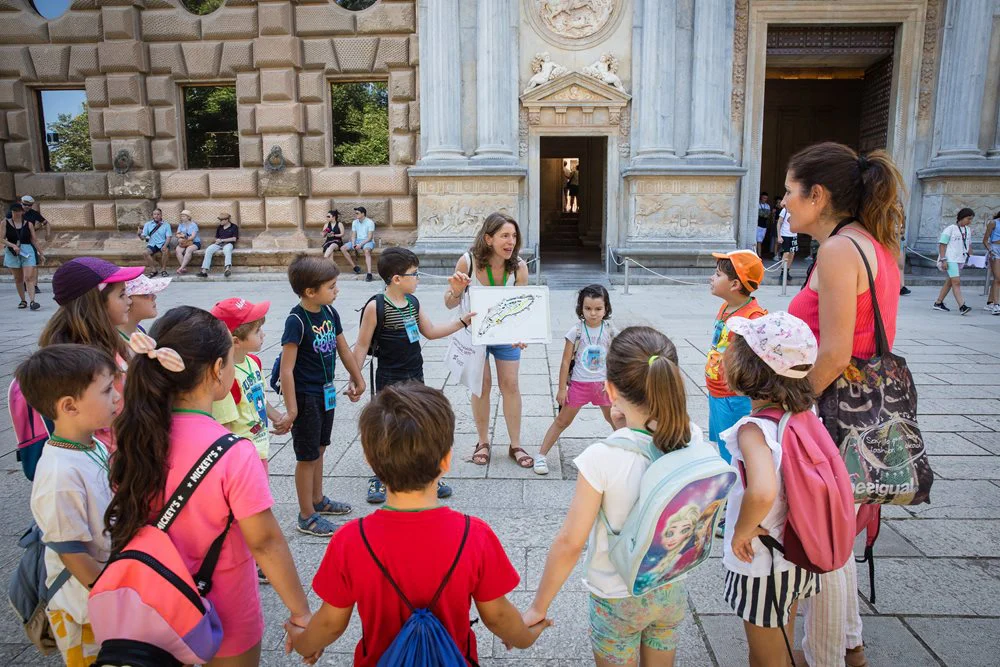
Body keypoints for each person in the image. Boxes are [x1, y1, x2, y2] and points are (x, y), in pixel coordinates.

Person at [104, 306, 313, 666]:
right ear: (218, 370)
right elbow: (264, 541)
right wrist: (301, 612)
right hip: (224, 613)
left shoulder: (133, 438)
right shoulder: (234, 453)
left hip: (154, 607)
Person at [286, 383, 552, 664]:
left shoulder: (350, 540)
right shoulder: (474, 535)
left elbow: (330, 624)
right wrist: (526, 634)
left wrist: (303, 640)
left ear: (370, 462)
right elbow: (498, 617)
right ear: (446, 460)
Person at [786, 141, 905, 667]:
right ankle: (850, 644)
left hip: (834, 415)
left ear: (818, 195)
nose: (784, 203)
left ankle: (830, 654)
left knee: (821, 540)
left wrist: (789, 408)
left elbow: (834, 353)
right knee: (832, 529)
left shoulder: (838, 251)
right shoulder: (870, 244)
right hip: (866, 412)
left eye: (791, 192)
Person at [523, 327, 693, 666]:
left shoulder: (601, 458)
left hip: (617, 595)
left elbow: (571, 541)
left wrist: (538, 607)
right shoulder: (691, 435)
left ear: (610, 389)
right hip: (670, 583)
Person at [720, 311, 822, 667]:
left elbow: (762, 491)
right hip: (794, 549)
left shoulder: (754, 429)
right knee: (782, 633)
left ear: (748, 369)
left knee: (765, 656)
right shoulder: (804, 414)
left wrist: (740, 531)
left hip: (763, 558)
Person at [17, 345, 118, 667]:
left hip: (102, 591)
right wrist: (115, 596)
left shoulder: (92, 444)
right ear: (69, 406)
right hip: (84, 607)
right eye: (106, 390)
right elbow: (72, 552)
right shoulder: (60, 472)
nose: (117, 396)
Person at [351, 247, 474, 504]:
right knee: (387, 425)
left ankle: (425, 473)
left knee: (417, 422)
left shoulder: (412, 303)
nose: (418, 277)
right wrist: (355, 378)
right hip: (388, 375)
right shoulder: (376, 306)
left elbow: (430, 331)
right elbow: (362, 345)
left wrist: (461, 322)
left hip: (414, 373)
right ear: (397, 278)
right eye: (414, 274)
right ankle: (380, 476)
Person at [280, 255, 366, 537]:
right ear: (309, 291)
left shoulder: (329, 312)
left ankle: (318, 500)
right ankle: (306, 514)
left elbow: (343, 349)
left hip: (325, 392)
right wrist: (291, 410)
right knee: (306, 456)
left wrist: (358, 377)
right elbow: (287, 370)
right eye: (331, 286)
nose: (336, 290)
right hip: (306, 396)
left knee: (319, 448)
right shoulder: (296, 320)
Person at [444, 212, 533, 470]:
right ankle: (482, 442)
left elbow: (523, 309)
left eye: (514, 236)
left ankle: (515, 444)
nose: (511, 242)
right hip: (475, 335)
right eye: (505, 236)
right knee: (481, 386)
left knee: (511, 385)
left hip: (505, 336)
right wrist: (457, 290)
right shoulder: (468, 262)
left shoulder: (519, 267)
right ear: (488, 238)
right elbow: (449, 302)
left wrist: (522, 335)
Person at [535, 284, 617, 476]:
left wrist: (615, 383)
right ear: (581, 308)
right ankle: (541, 455)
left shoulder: (611, 331)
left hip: (604, 386)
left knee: (615, 418)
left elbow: (617, 358)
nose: (593, 313)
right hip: (579, 384)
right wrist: (562, 389)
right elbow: (565, 362)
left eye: (598, 309)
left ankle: (631, 452)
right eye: (588, 308)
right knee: (562, 420)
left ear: (606, 309)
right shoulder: (576, 332)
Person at [705, 250, 767, 466]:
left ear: (735, 285)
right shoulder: (726, 307)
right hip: (716, 390)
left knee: (732, 450)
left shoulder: (753, 317)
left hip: (733, 396)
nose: (711, 278)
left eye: (718, 275)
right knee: (721, 441)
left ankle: (734, 490)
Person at [933, 208, 975, 315]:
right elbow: (943, 244)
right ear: (962, 217)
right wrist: (943, 259)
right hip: (950, 258)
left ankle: (938, 302)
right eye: (968, 219)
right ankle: (962, 305)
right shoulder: (950, 229)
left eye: (971, 219)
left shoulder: (968, 230)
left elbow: (969, 244)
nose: (969, 221)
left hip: (961, 259)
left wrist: (972, 256)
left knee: (950, 282)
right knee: (956, 282)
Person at [4, 203, 41, 310]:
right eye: (14, 211)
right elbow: (1, 238)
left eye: (18, 211)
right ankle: (23, 300)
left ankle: (33, 301)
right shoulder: (5, 223)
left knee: (28, 277)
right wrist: (13, 245)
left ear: (22, 212)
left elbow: (34, 240)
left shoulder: (28, 224)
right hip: (12, 251)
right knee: (18, 279)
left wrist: (41, 253)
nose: (16, 213)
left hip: (27, 250)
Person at [121, 274, 170, 338]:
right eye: (145, 294)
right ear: (126, 299)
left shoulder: (140, 330)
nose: (154, 296)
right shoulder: (114, 342)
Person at [198, 211, 239, 278]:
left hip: (228, 244)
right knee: (208, 249)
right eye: (220, 220)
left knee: (228, 250)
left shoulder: (234, 227)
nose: (220, 221)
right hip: (218, 244)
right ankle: (204, 271)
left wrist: (222, 240)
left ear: (226, 220)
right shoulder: (220, 227)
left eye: (221, 220)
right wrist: (217, 240)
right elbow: (216, 237)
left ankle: (227, 269)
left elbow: (234, 239)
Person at [340, 206, 376, 281]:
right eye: (355, 213)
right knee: (343, 248)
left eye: (357, 213)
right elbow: (353, 235)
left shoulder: (370, 222)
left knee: (366, 251)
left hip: (367, 241)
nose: (356, 214)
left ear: (363, 214)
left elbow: (369, 237)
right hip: (357, 240)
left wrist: (360, 245)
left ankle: (369, 274)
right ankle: (355, 267)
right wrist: (353, 243)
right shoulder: (355, 222)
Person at [137, 208, 171, 278]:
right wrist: (139, 235)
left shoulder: (166, 225)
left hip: (162, 243)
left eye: (158, 214)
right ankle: (153, 270)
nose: (156, 216)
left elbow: (168, 237)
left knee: (166, 250)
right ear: (152, 215)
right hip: (152, 244)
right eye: (155, 214)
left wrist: (165, 246)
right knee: (145, 253)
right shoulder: (147, 224)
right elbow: (143, 237)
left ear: (161, 215)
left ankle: (163, 270)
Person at [172, 209, 201, 275]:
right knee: (178, 250)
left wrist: (184, 237)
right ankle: (184, 268)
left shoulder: (193, 225)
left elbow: (193, 237)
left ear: (188, 217)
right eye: (181, 216)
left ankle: (181, 268)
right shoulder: (181, 225)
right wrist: (180, 237)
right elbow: (177, 234)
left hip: (194, 242)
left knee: (188, 250)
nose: (182, 217)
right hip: (184, 242)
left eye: (183, 216)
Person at [984, 211, 1000, 314]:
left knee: (997, 279)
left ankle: (990, 302)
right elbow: (985, 240)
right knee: (998, 278)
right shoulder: (993, 223)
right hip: (995, 250)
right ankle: (996, 305)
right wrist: (990, 251)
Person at [777, 206, 798, 280]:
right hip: (785, 234)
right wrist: (779, 236)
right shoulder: (784, 210)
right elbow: (779, 223)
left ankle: (787, 271)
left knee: (792, 253)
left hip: (794, 234)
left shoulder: (798, 209)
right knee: (786, 253)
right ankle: (783, 272)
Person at [756, 192, 772, 257]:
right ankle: (759, 255)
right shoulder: (758, 205)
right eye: (764, 198)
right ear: (761, 198)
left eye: (766, 198)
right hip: (757, 225)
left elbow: (767, 215)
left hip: (764, 226)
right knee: (758, 241)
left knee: (760, 241)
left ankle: (758, 254)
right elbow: (760, 214)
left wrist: (763, 214)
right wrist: (764, 214)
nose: (764, 199)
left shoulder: (767, 206)